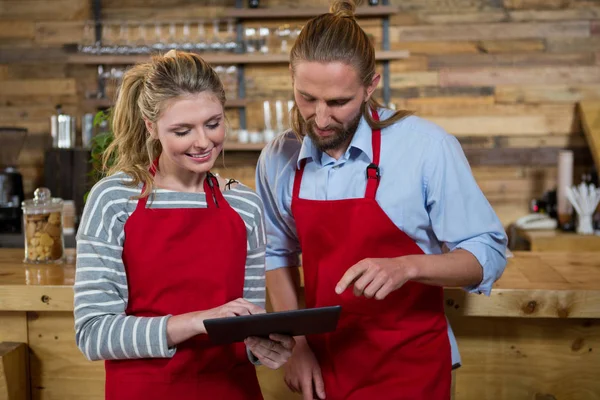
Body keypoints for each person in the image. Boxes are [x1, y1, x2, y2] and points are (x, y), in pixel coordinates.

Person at [255, 1, 508, 399]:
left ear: (370, 86)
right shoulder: (278, 157)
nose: (320, 118)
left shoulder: (425, 147)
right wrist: (298, 344)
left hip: (409, 367)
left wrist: (407, 266)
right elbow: (276, 253)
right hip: (323, 369)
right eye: (307, 98)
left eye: (338, 102)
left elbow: (487, 255)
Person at [74, 50, 294, 400]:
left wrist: (263, 348)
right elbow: (93, 333)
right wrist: (197, 322)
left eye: (213, 123)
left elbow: (247, 325)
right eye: (182, 130)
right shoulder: (115, 200)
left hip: (231, 391)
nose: (204, 142)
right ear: (151, 126)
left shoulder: (245, 205)